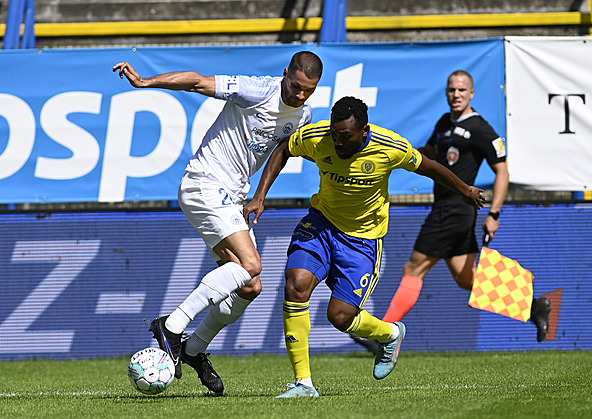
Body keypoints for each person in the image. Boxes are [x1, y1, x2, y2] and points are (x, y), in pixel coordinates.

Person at [243, 96, 485, 398]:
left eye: (346, 136)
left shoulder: (389, 146)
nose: (338, 142)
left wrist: (465, 190)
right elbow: (285, 149)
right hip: (321, 224)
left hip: (362, 240)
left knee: (340, 316)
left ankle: (391, 334)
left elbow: (430, 166)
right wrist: (260, 196)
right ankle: (303, 384)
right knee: (296, 284)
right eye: (335, 134)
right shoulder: (318, 137)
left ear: (364, 130)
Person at [113, 51, 323, 394]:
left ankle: (194, 349)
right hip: (206, 182)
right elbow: (197, 80)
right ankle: (172, 326)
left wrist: (260, 195)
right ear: (286, 73)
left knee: (249, 286)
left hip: (235, 195)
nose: (300, 95)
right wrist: (145, 82)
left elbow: (280, 151)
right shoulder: (257, 91)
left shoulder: (303, 113)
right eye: (297, 86)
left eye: (308, 91)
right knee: (251, 264)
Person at [352, 70, 551, 355]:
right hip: (446, 209)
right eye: (451, 90)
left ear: (472, 94)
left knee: (414, 267)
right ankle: (533, 304)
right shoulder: (445, 122)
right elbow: (431, 151)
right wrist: (398, 155)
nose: (455, 95)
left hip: (454, 211)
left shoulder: (480, 128)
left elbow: (502, 172)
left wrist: (494, 213)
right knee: (465, 277)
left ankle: (384, 332)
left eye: (461, 90)